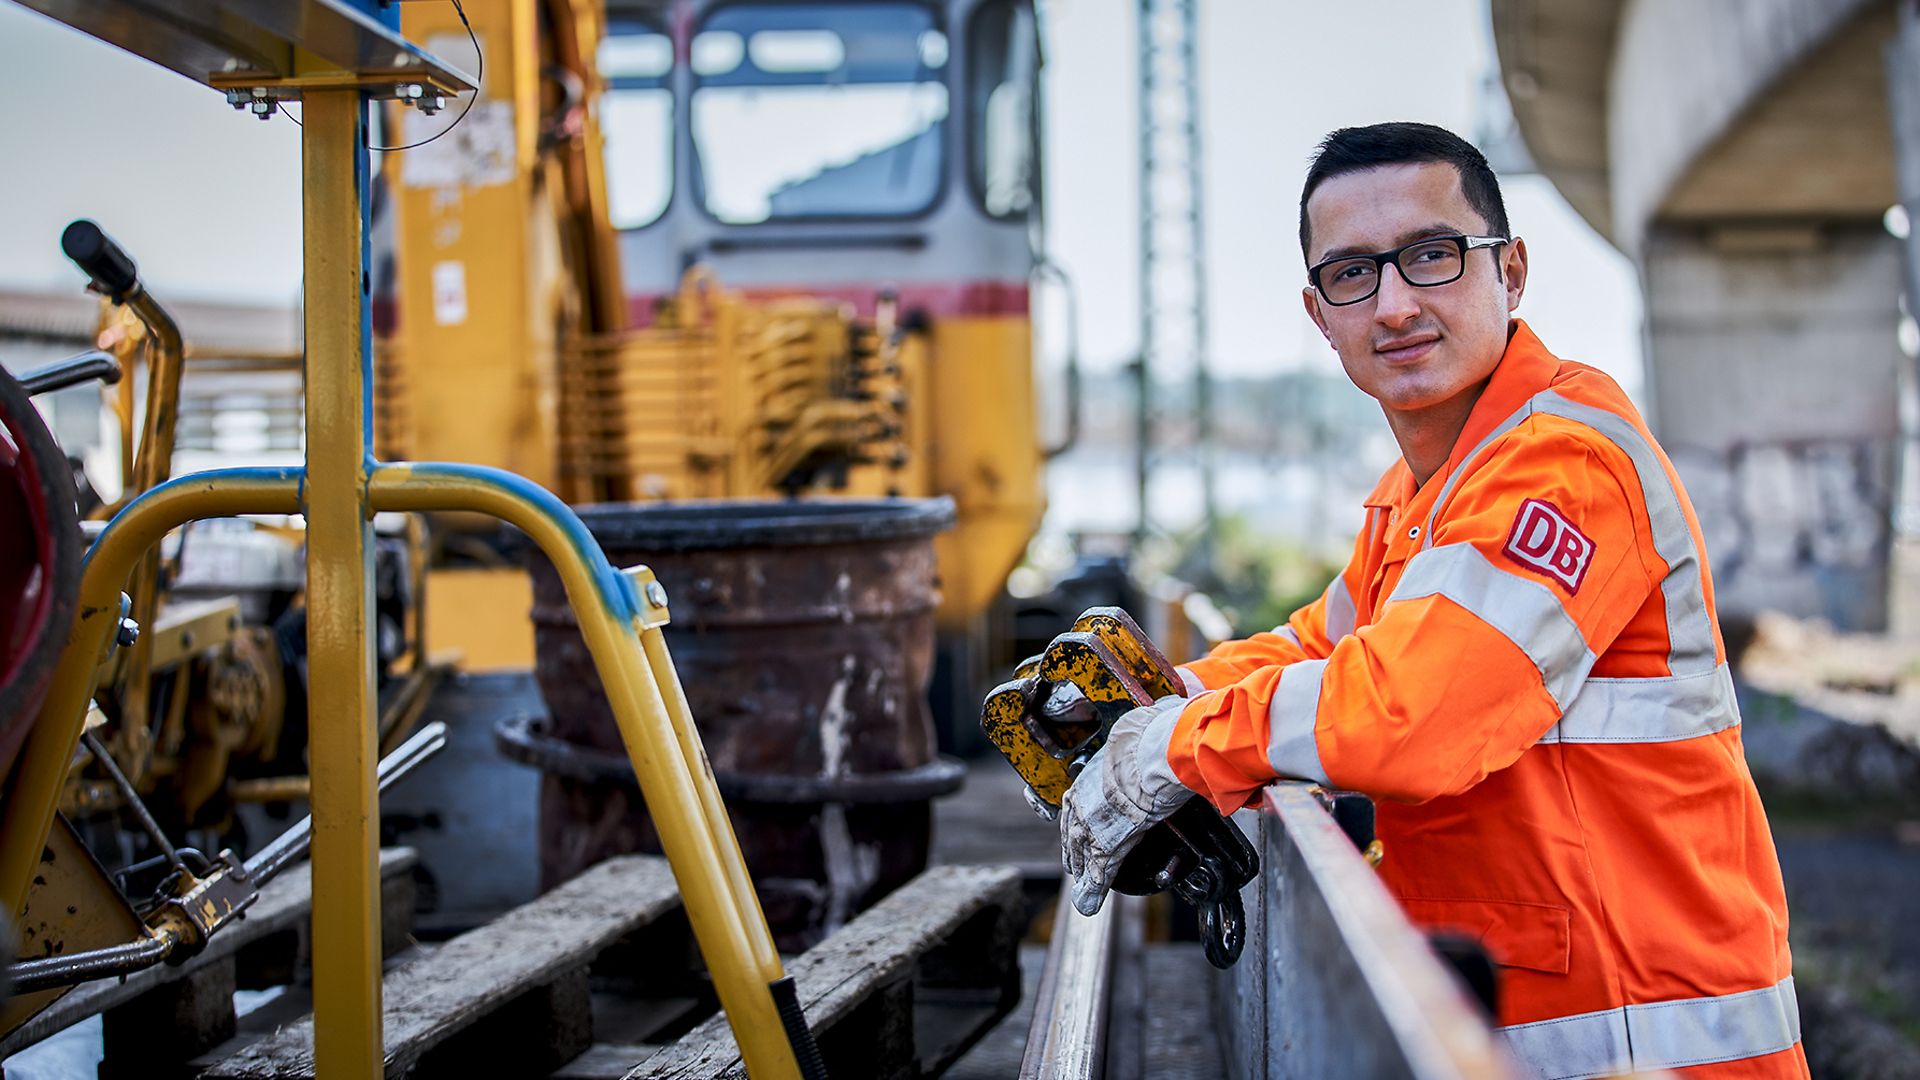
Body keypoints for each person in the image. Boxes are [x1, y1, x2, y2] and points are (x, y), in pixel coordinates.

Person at [1057, 122, 1806, 1078]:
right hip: (1517, 1026)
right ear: (1320, 315)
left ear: (1513, 272)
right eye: (1352, 275)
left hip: (1652, 1044)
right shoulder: (1425, 493)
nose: (1396, 304)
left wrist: (1176, 745)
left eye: (1431, 256)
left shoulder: (1562, 465)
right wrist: (1157, 695)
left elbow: (1412, 714)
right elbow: (1316, 648)